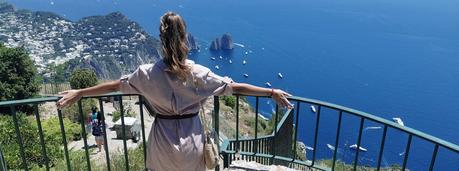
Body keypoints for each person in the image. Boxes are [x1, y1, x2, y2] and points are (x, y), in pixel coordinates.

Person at [57, 12, 293, 171]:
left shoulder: (146, 73)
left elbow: (115, 85)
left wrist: (80, 92)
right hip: (192, 142)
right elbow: (235, 88)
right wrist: (270, 92)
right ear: (184, 38)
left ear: (161, 39)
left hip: (161, 144)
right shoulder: (198, 73)